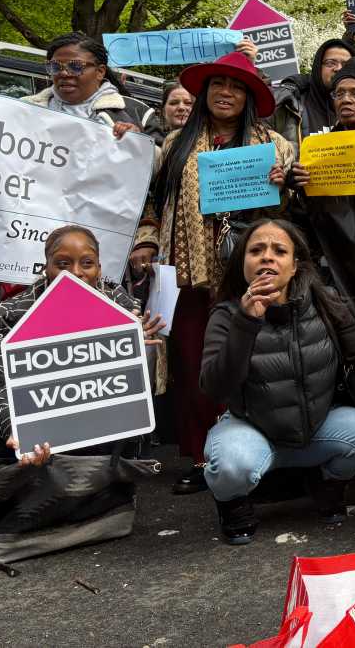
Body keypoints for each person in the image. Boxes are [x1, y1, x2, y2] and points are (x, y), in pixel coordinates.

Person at [201, 219, 355, 543]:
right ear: (243, 263)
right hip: (252, 429)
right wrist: (246, 323)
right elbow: (215, 387)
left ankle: (326, 482)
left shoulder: (324, 302)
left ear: (294, 266)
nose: (267, 257)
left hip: (316, 427)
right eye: (256, 250)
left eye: (279, 251)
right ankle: (233, 503)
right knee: (232, 466)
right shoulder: (227, 314)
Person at [130, 50, 294, 495]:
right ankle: (204, 456)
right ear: (204, 92)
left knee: (255, 362)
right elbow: (151, 201)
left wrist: (284, 188)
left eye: (237, 87)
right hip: (186, 278)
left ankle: (266, 453)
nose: (226, 93)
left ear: (249, 97)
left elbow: (291, 216)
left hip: (248, 277)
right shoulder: (174, 143)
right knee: (194, 365)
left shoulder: (274, 146)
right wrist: (146, 240)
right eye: (218, 84)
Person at [0, 225, 164, 490]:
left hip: (98, 427)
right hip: (39, 430)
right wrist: (19, 432)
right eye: (62, 264)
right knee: (1, 445)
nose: (75, 272)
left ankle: (108, 498)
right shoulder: (9, 315)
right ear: (46, 268)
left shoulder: (119, 305)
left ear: (99, 268)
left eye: (87, 263)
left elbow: (125, 391)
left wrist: (129, 345)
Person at [23, 32, 161, 142]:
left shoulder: (137, 112)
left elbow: (164, 163)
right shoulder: (23, 109)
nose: (64, 73)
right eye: (55, 66)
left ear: (100, 71)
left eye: (75, 66)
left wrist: (140, 143)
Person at [272, 34, 355, 146]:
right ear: (318, 67)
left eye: (346, 64)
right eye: (330, 63)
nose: (338, 68)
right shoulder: (291, 105)